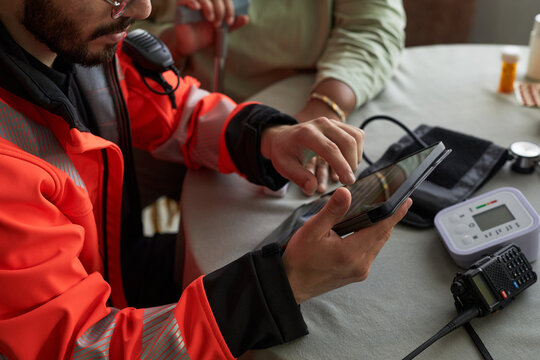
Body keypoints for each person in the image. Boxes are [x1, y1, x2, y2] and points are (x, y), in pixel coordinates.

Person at [0, 0, 411, 359]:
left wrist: (266, 137)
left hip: (118, 274)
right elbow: (78, 347)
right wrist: (283, 285)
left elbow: (172, 107)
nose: (143, 9)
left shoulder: (69, 42)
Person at [138, 0, 406, 193]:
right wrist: (170, 44)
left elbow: (373, 27)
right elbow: (107, 39)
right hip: (163, 115)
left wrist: (325, 106)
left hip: (274, 123)